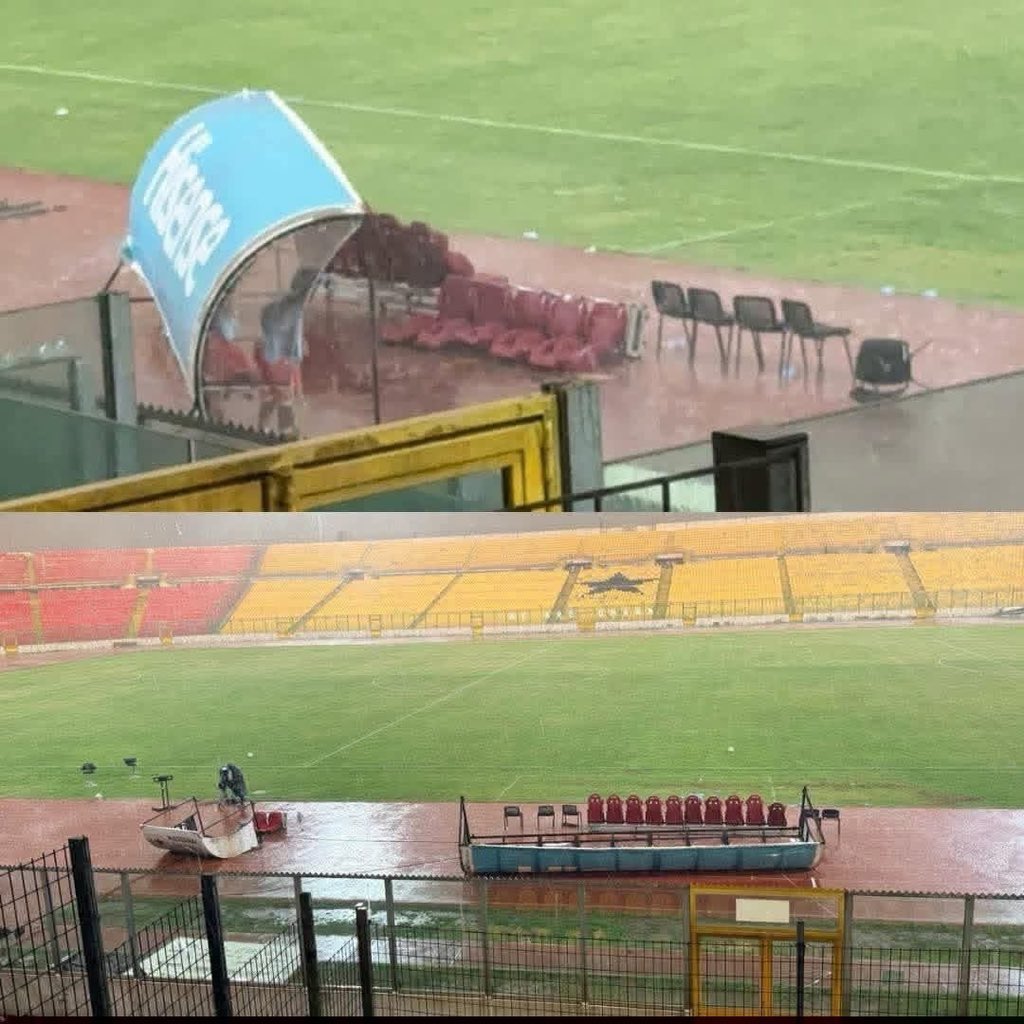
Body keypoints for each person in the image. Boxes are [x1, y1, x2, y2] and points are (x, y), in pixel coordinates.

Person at [255, 266, 319, 435]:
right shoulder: (295, 308)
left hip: (270, 353)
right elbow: (286, 334)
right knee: (284, 396)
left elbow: (268, 318)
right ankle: (285, 431)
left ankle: (265, 427)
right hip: (278, 357)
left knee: (274, 393)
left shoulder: (283, 305)